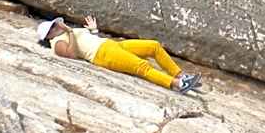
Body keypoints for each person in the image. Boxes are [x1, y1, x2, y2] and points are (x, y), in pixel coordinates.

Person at [36, 15, 202, 93]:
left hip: (110, 45)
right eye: (52, 28)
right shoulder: (57, 44)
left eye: (54, 25)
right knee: (142, 66)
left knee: (153, 46)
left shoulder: (64, 34)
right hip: (102, 54)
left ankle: (180, 75)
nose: (56, 27)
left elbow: (90, 40)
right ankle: (177, 84)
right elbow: (71, 54)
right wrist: (70, 32)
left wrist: (94, 30)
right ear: (48, 36)